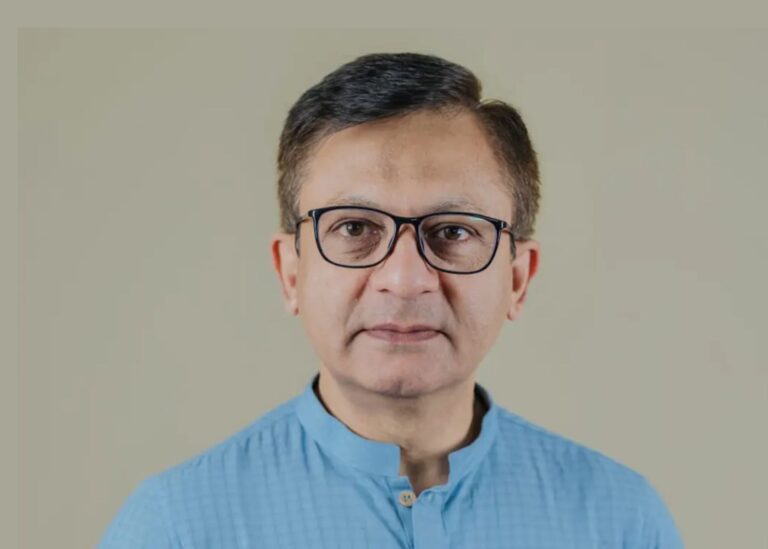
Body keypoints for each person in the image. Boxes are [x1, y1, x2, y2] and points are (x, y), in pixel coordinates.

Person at [98, 52, 684, 548]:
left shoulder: (620, 523)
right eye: (354, 228)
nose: (404, 279)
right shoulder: (176, 527)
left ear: (518, 278)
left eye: (453, 231)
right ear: (290, 271)